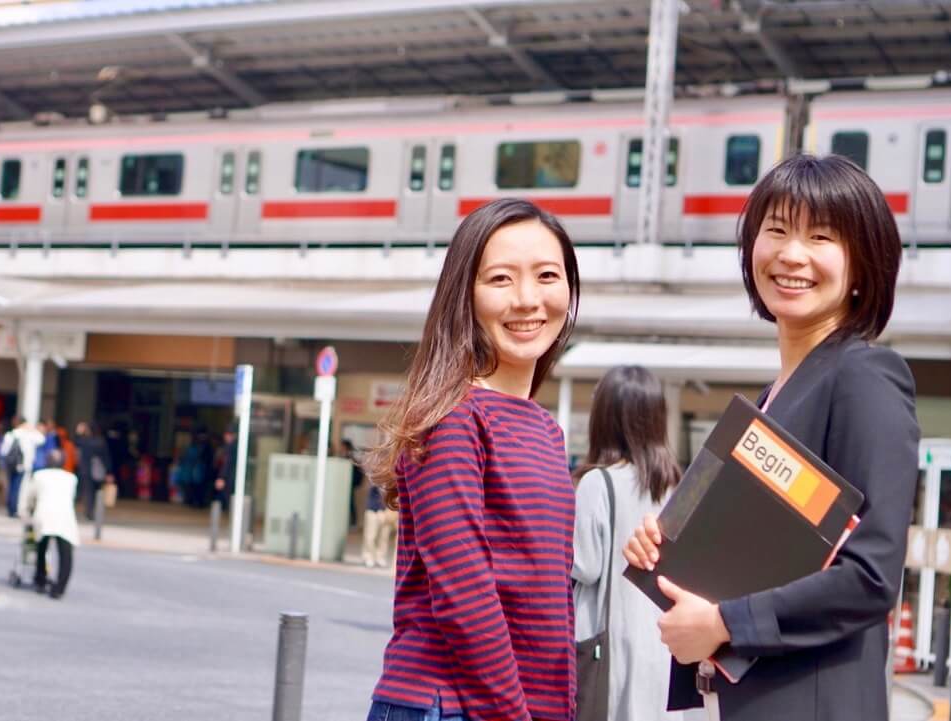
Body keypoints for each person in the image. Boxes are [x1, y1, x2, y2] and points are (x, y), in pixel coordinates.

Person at [624, 154, 919, 721]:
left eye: (821, 237)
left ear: (863, 263)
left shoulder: (863, 378)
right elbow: (753, 560)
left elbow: (871, 575)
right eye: (776, 230)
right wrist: (665, 551)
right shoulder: (773, 396)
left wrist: (723, 624)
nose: (791, 254)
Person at [362, 198, 581, 721]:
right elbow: (465, 592)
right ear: (465, 296)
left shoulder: (544, 428)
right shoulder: (454, 418)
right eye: (501, 280)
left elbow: (537, 587)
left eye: (547, 275)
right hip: (452, 706)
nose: (528, 300)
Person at [572, 366, 687, 721]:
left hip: (611, 645)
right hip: (666, 643)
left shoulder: (597, 483)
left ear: (604, 418)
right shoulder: (677, 485)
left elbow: (585, 567)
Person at [19, 449, 80, 599]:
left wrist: (26, 512)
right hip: (65, 517)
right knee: (66, 554)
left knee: (41, 547)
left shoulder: (39, 476)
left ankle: (40, 579)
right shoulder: (71, 478)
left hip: (44, 515)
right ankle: (60, 587)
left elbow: (30, 496)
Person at [2, 416, 45, 517]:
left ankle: (10, 508)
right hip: (22, 465)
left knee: (11, 486)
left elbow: (4, 451)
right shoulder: (28, 435)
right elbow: (42, 439)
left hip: (10, 465)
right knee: (18, 488)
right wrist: (32, 429)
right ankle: (14, 509)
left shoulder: (10, 434)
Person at [360, 460, 397, 570]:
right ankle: (368, 556)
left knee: (383, 535)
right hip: (373, 509)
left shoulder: (390, 480)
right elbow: (375, 493)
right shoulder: (374, 479)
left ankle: (380, 556)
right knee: (370, 535)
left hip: (384, 511)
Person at [74, 421, 113, 521]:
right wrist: (109, 472)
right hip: (98, 471)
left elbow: (76, 441)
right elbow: (106, 457)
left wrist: (79, 432)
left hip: (86, 470)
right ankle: (93, 511)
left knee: (88, 491)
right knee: (97, 492)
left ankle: (89, 511)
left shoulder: (84, 441)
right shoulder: (100, 441)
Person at [211, 427, 237, 512]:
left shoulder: (230, 447)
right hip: (231, 477)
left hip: (229, 478)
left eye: (228, 435)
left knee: (228, 497)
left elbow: (227, 463)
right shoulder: (232, 447)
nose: (226, 437)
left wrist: (221, 477)